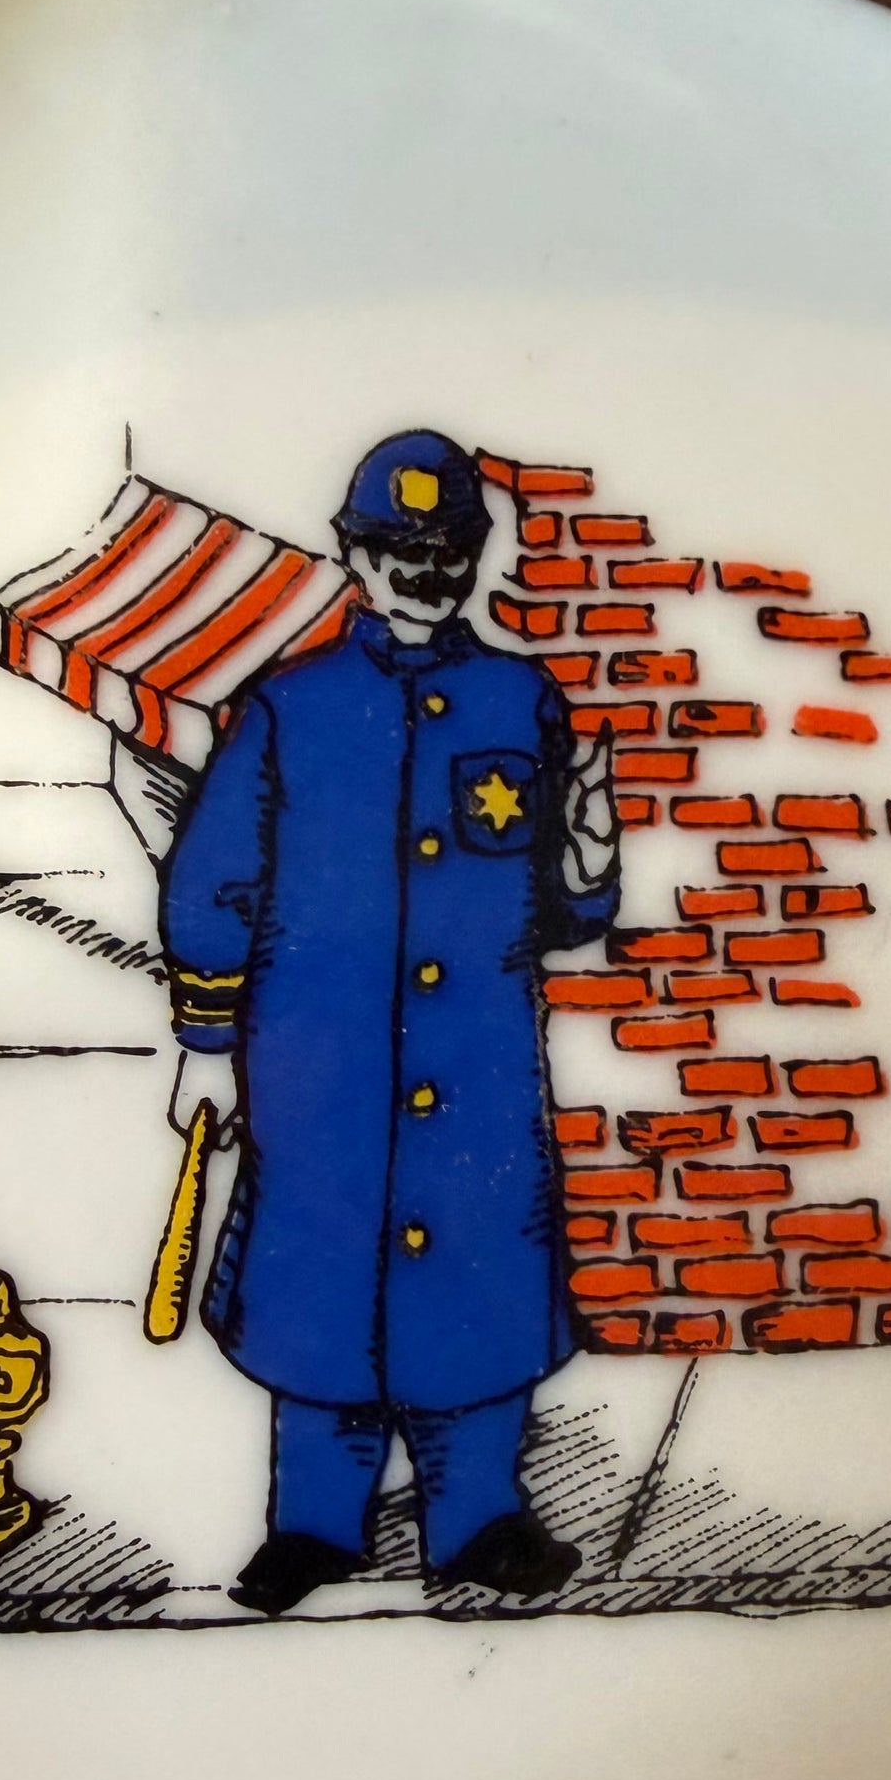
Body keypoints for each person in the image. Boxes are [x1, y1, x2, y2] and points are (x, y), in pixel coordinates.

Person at [160, 429, 620, 1615]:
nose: (427, 570)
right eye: (400, 549)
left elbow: (562, 907)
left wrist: (588, 857)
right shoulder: (287, 708)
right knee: (317, 1289)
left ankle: (479, 1520)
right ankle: (313, 1525)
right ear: (355, 555)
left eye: (449, 547)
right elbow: (213, 879)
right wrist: (206, 1042)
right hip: (320, 1066)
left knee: (477, 1287)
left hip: (477, 1070)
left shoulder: (521, 700)